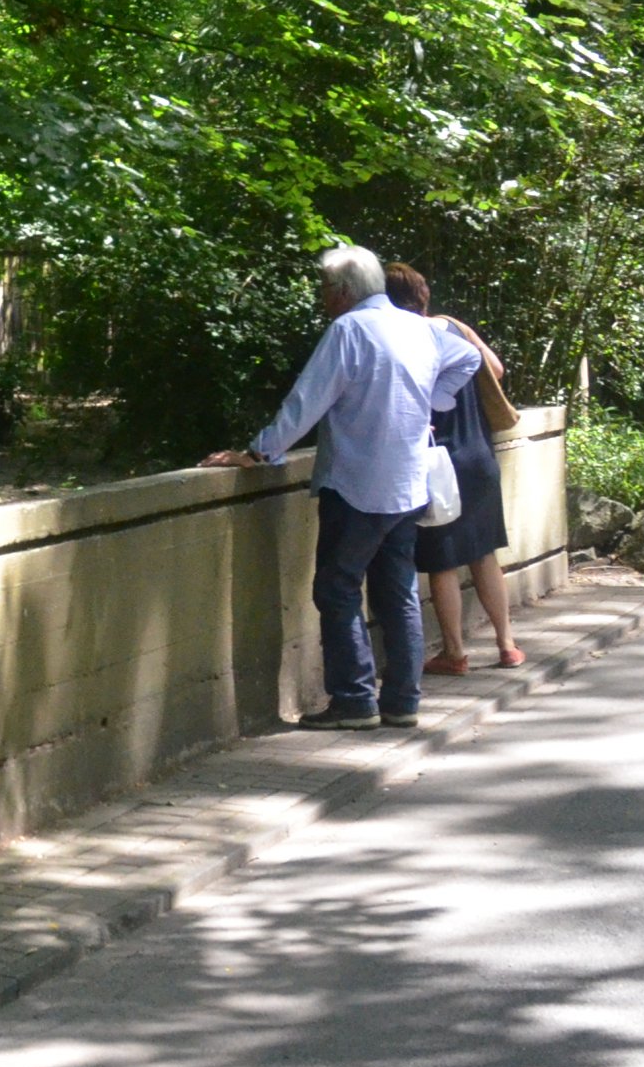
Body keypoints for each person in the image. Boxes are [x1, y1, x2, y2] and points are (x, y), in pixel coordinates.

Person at [203, 245, 479, 729]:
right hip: (408, 486)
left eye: (325, 289)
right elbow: (469, 359)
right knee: (398, 593)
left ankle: (354, 701)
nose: (322, 299)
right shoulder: (421, 328)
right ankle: (402, 701)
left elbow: (305, 401)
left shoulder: (349, 330)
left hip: (356, 485)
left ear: (344, 291)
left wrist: (260, 452)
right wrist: (431, 403)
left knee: (338, 588)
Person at [385, 262, 526, 675]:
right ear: (424, 295)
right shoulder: (453, 327)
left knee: (443, 561)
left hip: (439, 462)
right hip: (480, 454)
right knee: (484, 553)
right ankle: (507, 645)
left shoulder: (401, 340)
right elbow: (496, 371)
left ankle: (455, 652)